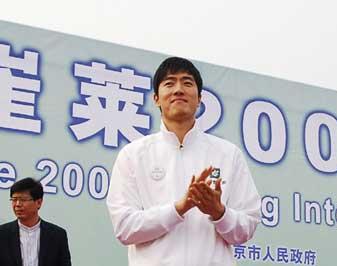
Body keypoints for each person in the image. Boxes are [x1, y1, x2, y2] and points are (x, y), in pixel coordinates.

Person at [107, 57, 260, 265]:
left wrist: (219, 212)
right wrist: (179, 208)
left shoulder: (227, 154)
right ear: (156, 99)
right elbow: (125, 228)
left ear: (199, 98)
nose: (178, 90)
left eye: (187, 83)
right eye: (169, 83)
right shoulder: (133, 155)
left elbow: (247, 226)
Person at [0, 178, 71, 266]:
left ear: (38, 203)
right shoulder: (2, 234)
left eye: (23, 200)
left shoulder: (57, 235)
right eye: (14, 199)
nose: (17, 204)